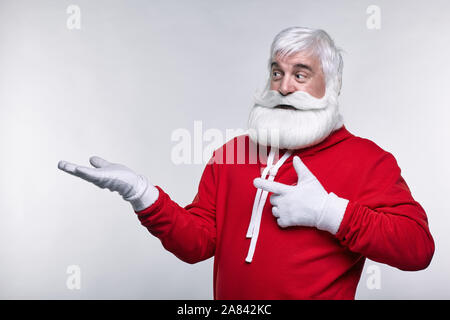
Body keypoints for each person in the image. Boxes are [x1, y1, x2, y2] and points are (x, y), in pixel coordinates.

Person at [58, 26, 434, 299]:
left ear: (331, 86)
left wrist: (329, 212)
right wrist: (142, 194)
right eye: (277, 72)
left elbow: (417, 249)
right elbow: (197, 245)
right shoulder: (233, 153)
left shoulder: (368, 160)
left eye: (300, 74)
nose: (283, 87)